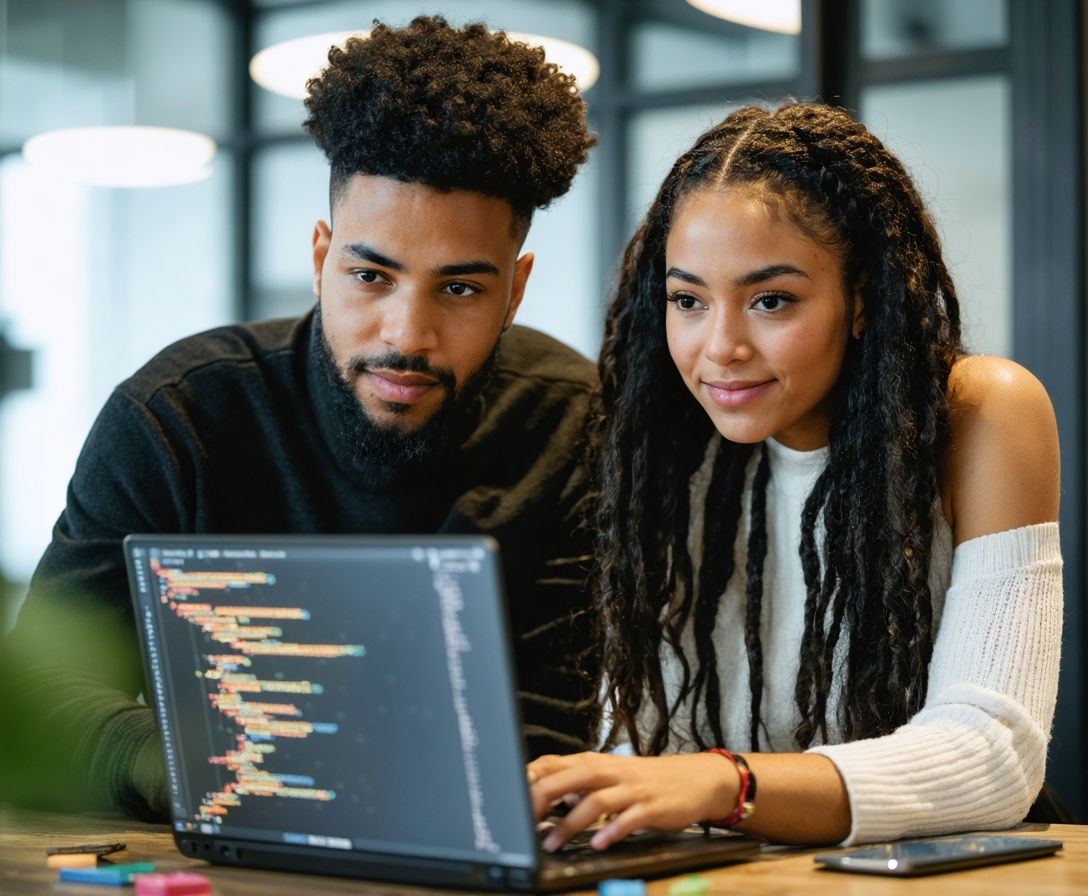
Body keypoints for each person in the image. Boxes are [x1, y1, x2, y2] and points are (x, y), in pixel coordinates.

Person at [0, 15, 598, 821]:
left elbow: (553, 736)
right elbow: (37, 697)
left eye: (460, 289)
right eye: (370, 275)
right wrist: (233, 765)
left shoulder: (575, 429)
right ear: (321, 259)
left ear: (515, 289)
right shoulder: (180, 416)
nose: (406, 335)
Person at [528, 101, 1063, 848]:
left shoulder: (982, 414)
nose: (720, 349)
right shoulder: (662, 443)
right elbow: (645, 750)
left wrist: (725, 781)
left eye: (770, 300)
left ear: (862, 299)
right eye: (688, 300)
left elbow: (995, 756)